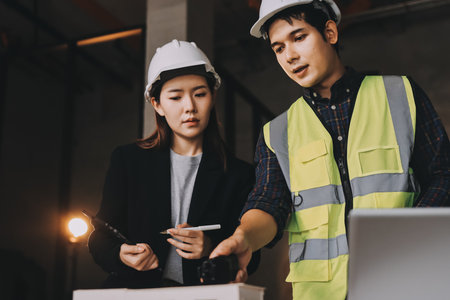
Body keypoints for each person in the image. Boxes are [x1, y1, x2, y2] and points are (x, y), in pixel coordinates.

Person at [210, 1, 450, 299]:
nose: (291, 56)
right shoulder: (277, 132)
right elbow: (269, 202)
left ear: (330, 32)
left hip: (402, 283)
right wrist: (244, 237)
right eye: (279, 48)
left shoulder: (400, 95)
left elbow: (443, 175)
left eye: (299, 37)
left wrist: (409, 234)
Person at [88, 39, 258, 288]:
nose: (189, 107)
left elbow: (252, 258)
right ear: (157, 105)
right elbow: (100, 237)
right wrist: (120, 253)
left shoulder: (238, 175)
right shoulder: (128, 161)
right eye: (176, 97)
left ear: (212, 97)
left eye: (199, 94)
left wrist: (210, 246)